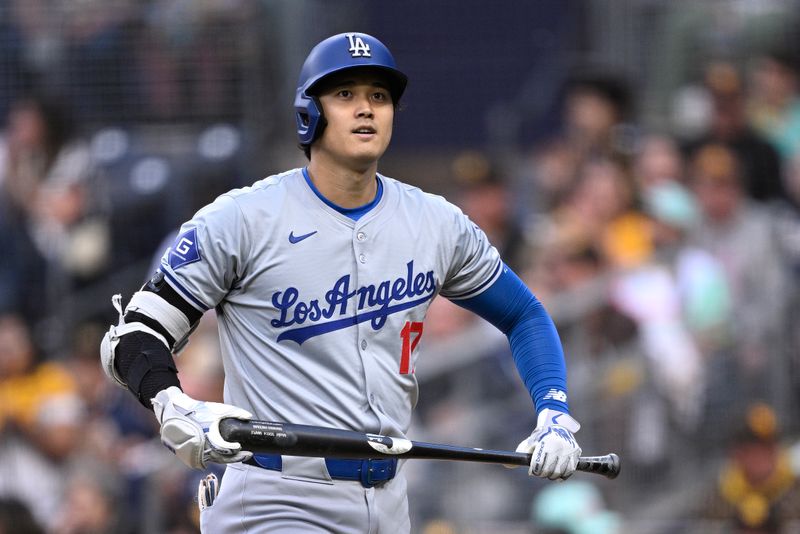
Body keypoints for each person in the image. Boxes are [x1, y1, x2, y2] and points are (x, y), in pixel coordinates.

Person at [99, 32, 582, 533]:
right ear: (310, 112)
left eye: (379, 96)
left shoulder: (437, 222)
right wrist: (171, 402)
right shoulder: (242, 219)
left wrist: (553, 410)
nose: (366, 109)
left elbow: (525, 314)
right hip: (275, 497)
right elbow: (133, 338)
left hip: (390, 500)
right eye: (345, 94)